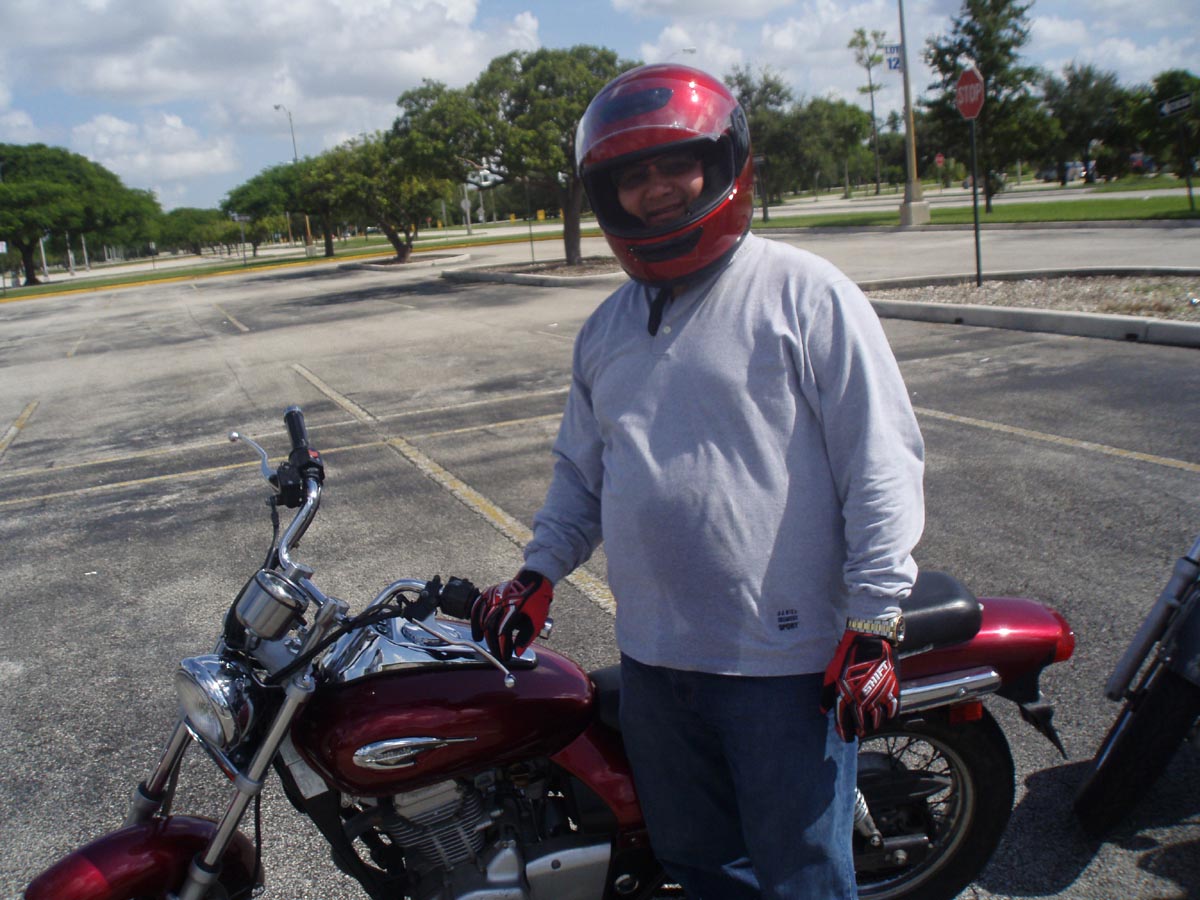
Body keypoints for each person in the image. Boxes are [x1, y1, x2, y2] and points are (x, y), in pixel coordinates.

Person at [471, 64, 924, 900]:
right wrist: (538, 572)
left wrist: (874, 621)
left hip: (783, 668)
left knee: (800, 878)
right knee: (699, 867)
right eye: (631, 176)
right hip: (653, 664)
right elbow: (581, 474)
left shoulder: (805, 294)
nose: (655, 190)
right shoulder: (605, 329)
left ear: (723, 166)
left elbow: (881, 463)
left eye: (675, 164)